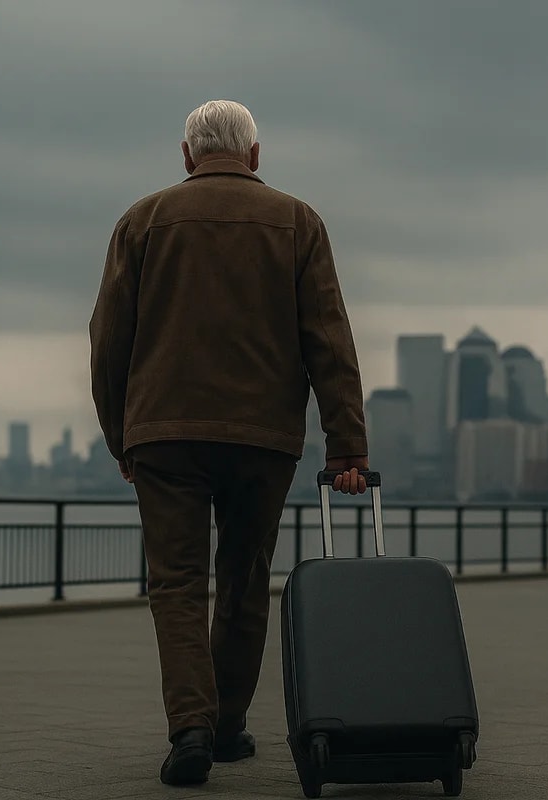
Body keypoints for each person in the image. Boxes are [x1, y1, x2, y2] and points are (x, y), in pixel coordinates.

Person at [89, 99, 369, 786]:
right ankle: (227, 727)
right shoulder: (298, 222)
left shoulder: (142, 220)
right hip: (262, 437)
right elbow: (328, 340)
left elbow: (108, 342)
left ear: (186, 155)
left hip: (165, 434)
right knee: (244, 581)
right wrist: (347, 448)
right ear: (255, 155)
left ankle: (189, 726)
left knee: (177, 584)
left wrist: (121, 436)